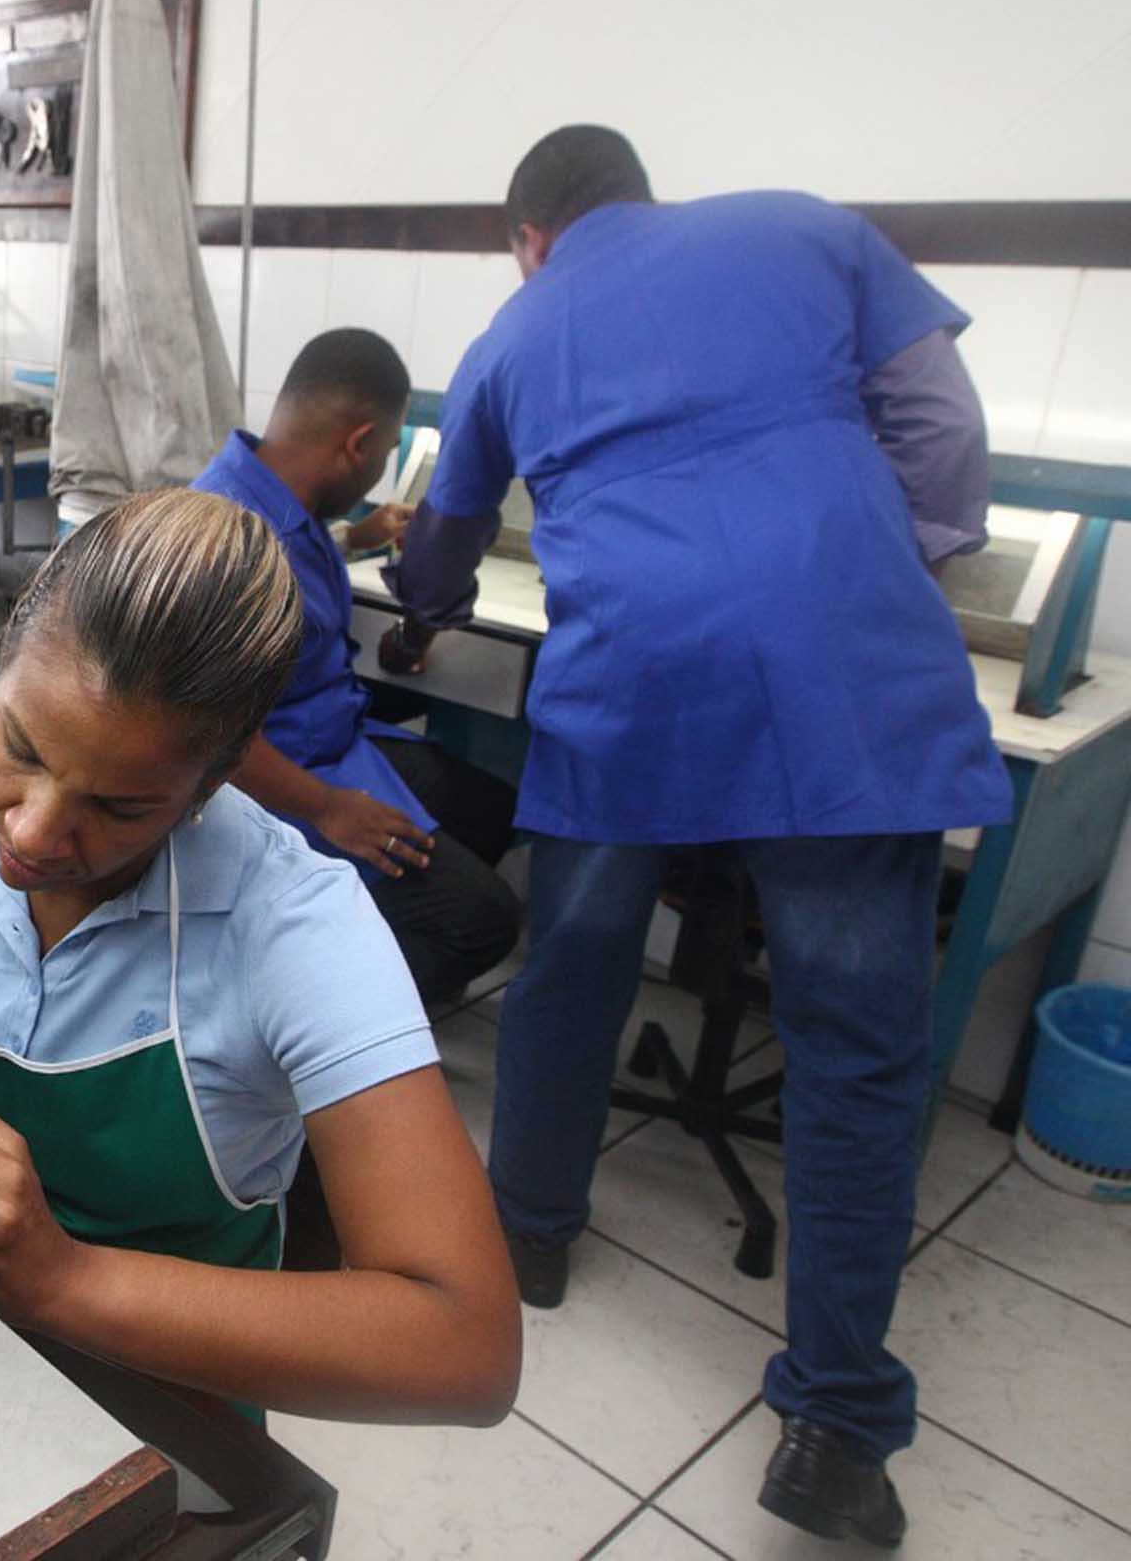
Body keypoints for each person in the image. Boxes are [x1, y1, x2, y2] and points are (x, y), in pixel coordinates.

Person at [383, 125, 1010, 1547]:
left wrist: (422, 598)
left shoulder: (514, 331)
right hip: (847, 673)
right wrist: (874, 563)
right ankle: (836, 1425)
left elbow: (446, 541)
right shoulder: (805, 226)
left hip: (639, 681)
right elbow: (943, 432)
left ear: (528, 237)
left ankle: (529, 1236)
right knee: (858, 1048)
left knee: (574, 961)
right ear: (637, 196)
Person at [0, 488, 519, 1424]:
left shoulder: (296, 929)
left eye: (120, 806)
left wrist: (61, 1280)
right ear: (3, 660)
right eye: (19, 747)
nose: (32, 833)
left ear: (213, 781)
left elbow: (466, 1352)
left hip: (173, 1405)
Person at [195, 329, 522, 1005]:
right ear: (360, 444)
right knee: (485, 922)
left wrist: (357, 537)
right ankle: (295, 1020)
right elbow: (197, 731)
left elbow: (290, 569)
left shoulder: (275, 499)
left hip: (331, 743)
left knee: (491, 811)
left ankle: (350, 932)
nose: (378, 470)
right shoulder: (229, 543)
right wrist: (328, 808)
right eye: (387, 451)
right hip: (270, 785)